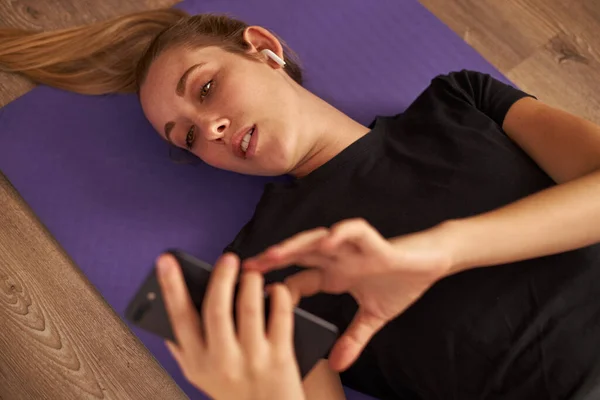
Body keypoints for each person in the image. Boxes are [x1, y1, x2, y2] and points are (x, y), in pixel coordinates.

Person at [2, 8, 600, 400]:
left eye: (206, 89)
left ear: (263, 48)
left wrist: (440, 251)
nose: (208, 129)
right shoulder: (254, 272)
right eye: (186, 137)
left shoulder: (460, 98)